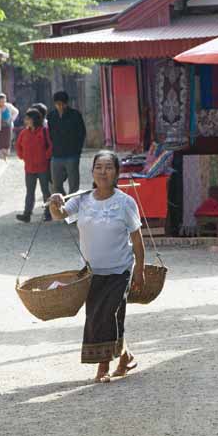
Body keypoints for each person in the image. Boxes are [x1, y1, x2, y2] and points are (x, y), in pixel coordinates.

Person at [49, 150, 145, 383]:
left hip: (120, 270)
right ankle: (125, 356)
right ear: (92, 172)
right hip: (91, 272)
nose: (103, 172)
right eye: (98, 167)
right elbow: (59, 215)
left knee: (108, 314)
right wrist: (55, 202)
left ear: (116, 173)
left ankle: (103, 367)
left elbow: (137, 239)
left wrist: (139, 270)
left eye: (109, 167)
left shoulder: (125, 203)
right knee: (95, 316)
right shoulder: (83, 199)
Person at [16, 109, 52, 223]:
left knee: (45, 191)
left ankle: (48, 212)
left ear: (34, 120)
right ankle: (27, 214)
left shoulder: (44, 131)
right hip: (29, 168)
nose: (26, 121)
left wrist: (45, 157)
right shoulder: (23, 133)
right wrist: (22, 156)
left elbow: (50, 146)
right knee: (29, 192)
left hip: (43, 167)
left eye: (28, 119)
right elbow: (18, 146)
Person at [47, 91, 86, 195]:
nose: (59, 106)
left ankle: (73, 205)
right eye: (57, 104)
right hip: (56, 155)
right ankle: (63, 205)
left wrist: (78, 151)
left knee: (73, 184)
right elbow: (49, 134)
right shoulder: (51, 116)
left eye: (61, 104)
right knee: (56, 184)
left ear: (66, 103)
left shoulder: (75, 115)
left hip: (72, 155)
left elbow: (81, 133)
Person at [0, 93, 19, 161]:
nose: (2, 103)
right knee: (1, 141)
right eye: (1, 101)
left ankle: (6, 155)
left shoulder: (9, 106)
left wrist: (12, 119)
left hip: (8, 125)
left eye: (4, 101)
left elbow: (16, 111)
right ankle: (3, 155)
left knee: (7, 140)